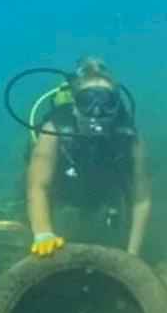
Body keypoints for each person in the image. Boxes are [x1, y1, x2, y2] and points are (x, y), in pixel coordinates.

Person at [25, 57, 151, 257]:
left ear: (116, 106)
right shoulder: (55, 128)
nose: (97, 111)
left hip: (103, 191)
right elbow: (38, 186)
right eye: (87, 101)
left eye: (106, 102)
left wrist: (132, 255)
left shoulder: (129, 136)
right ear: (75, 106)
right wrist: (43, 233)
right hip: (61, 188)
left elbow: (141, 199)